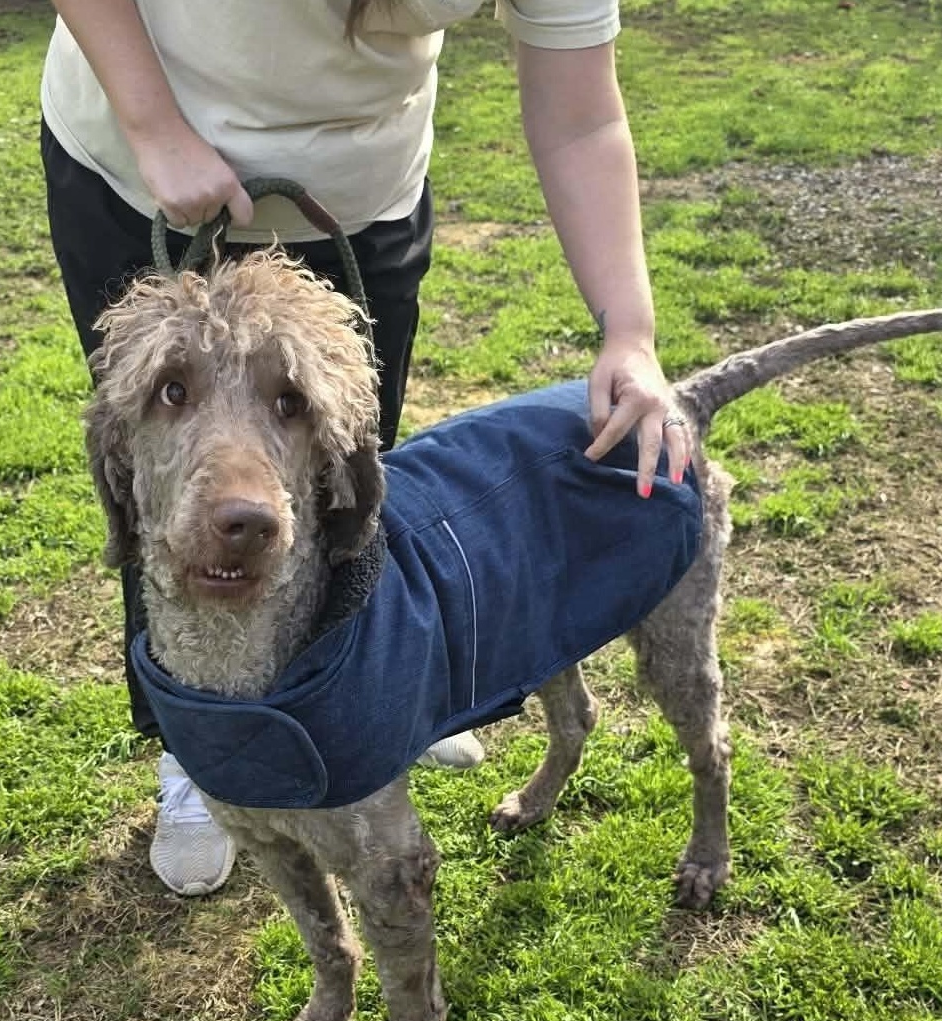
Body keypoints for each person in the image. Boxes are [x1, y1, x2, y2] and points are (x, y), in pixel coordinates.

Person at [40, 0, 694, 896]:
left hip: (359, 194)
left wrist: (628, 329)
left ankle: (381, 710)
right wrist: (151, 122)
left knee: (337, 497)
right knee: (179, 493)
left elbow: (580, 111)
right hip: (139, 160)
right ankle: (200, 752)